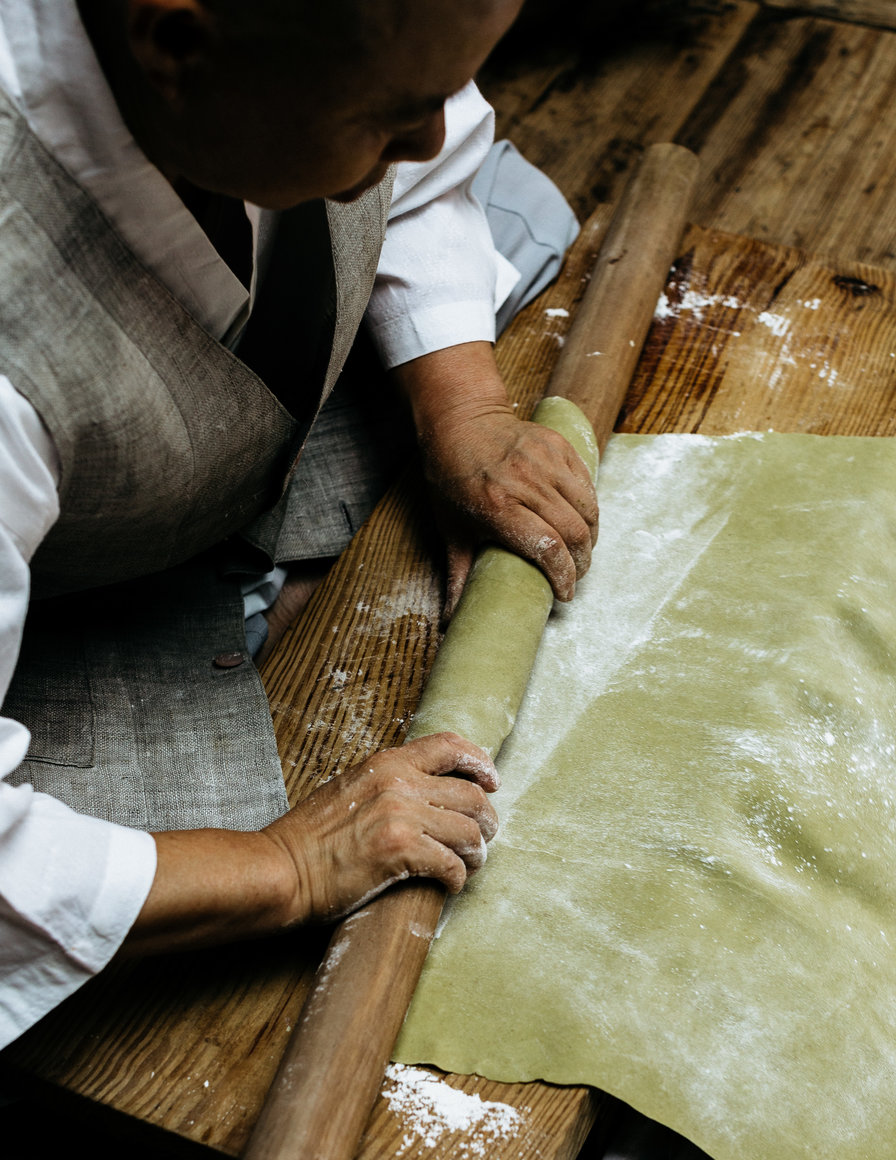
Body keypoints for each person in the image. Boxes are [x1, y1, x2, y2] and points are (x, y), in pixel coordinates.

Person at [0, 0, 598, 1042]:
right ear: (177, 46)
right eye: (389, 113)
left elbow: (433, 147)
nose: (430, 129)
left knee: (519, 207)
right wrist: (287, 865)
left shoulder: (279, 67)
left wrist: (462, 403)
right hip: (81, 596)